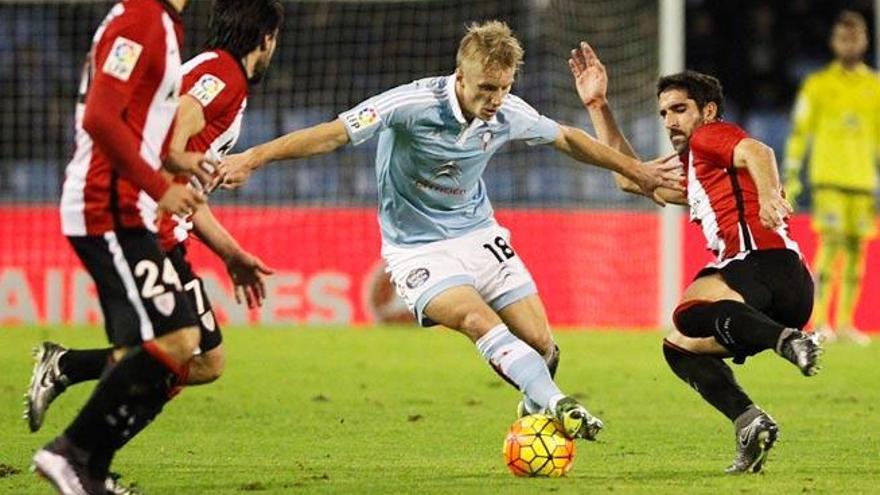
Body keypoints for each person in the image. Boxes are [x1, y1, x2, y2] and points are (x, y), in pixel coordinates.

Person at [216, 20, 684, 441]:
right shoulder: (409, 104)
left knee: (542, 345)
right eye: (485, 88)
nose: (494, 100)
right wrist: (253, 158)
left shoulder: (508, 112)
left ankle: (535, 402)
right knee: (476, 320)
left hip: (479, 235)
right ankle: (561, 404)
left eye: (502, 88)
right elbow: (334, 133)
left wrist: (637, 171)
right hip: (416, 249)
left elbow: (567, 138)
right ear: (460, 78)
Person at [26, 0, 281, 453]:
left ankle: (67, 378)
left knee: (201, 358)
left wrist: (228, 251)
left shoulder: (198, 55)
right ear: (266, 38)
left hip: (162, 222)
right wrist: (165, 177)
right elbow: (178, 122)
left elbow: (182, 177)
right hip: (144, 222)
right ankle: (85, 453)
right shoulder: (223, 74)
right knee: (169, 351)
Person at [568, 42, 822, 472]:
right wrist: (598, 105)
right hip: (789, 291)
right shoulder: (699, 171)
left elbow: (760, 152)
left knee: (689, 313)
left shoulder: (711, 136)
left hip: (759, 263)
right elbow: (631, 179)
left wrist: (765, 195)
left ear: (707, 111)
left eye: (679, 109)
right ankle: (749, 421)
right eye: (664, 113)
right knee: (681, 348)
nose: (669, 121)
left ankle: (787, 341)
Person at [33, 0, 212, 492]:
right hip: (107, 207)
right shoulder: (141, 17)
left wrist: (172, 158)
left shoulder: (162, 22)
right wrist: (160, 185)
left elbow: (134, 119)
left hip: (121, 208)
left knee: (135, 350)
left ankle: (91, 473)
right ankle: (67, 452)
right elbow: (99, 116)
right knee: (179, 339)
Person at [784, 10, 879, 345]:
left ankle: (846, 323)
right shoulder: (817, 85)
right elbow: (799, 132)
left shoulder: (875, 87)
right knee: (831, 244)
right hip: (829, 178)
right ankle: (821, 321)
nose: (848, 43)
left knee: (858, 250)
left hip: (863, 180)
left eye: (854, 37)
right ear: (833, 42)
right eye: (842, 37)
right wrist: (792, 174)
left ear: (865, 40)